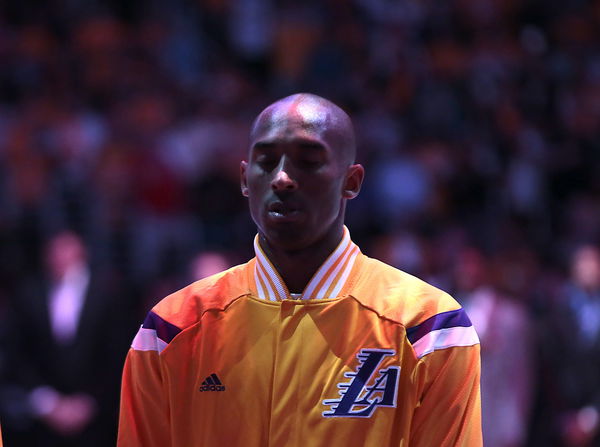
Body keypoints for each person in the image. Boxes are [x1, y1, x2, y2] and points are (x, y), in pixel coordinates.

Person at [118, 93, 482, 446]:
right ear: (245, 179)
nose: (282, 179)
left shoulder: (430, 328)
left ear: (351, 182)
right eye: (266, 161)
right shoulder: (170, 329)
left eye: (308, 162)